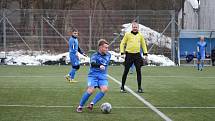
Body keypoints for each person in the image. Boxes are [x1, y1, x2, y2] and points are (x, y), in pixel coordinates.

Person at [76, 39, 111, 113]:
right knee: (91, 90)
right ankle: (80, 106)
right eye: (105, 47)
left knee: (104, 89)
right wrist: (100, 65)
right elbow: (92, 63)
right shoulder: (94, 55)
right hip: (93, 75)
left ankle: (92, 104)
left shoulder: (109, 55)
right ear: (100, 47)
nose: (107, 49)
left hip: (102, 76)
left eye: (107, 48)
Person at [120, 22, 148, 93]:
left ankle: (139, 88)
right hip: (129, 55)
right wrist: (122, 52)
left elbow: (143, 44)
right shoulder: (127, 34)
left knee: (139, 71)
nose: (135, 28)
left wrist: (145, 53)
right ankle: (122, 87)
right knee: (126, 71)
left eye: (136, 27)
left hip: (137, 55)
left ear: (138, 28)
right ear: (132, 28)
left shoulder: (140, 35)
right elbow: (122, 43)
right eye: (134, 27)